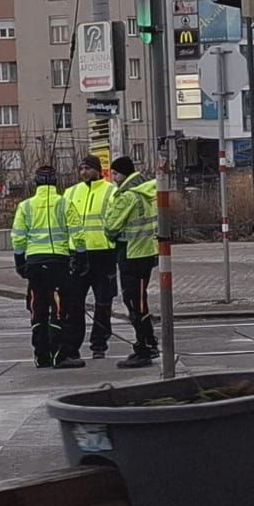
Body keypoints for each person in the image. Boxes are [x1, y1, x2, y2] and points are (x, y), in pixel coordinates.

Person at [10, 165, 72, 369]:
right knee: (58, 307)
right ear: (56, 182)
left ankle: (41, 355)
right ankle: (59, 355)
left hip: (35, 263)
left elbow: (18, 237)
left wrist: (20, 262)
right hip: (59, 262)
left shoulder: (26, 206)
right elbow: (77, 232)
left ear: (35, 183)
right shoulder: (64, 203)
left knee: (38, 308)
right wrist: (80, 257)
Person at [60, 155, 118, 363]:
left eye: (87, 168)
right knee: (74, 304)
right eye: (81, 168)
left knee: (103, 302)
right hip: (77, 254)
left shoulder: (111, 191)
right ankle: (72, 347)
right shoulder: (71, 192)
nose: (83, 172)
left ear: (98, 169)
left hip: (104, 254)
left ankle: (99, 344)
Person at [104, 156, 160, 368]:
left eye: (115, 174)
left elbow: (111, 226)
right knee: (140, 299)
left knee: (134, 302)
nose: (114, 179)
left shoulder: (127, 196)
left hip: (131, 253)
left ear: (123, 174)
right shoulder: (148, 192)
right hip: (146, 252)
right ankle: (148, 342)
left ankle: (144, 346)